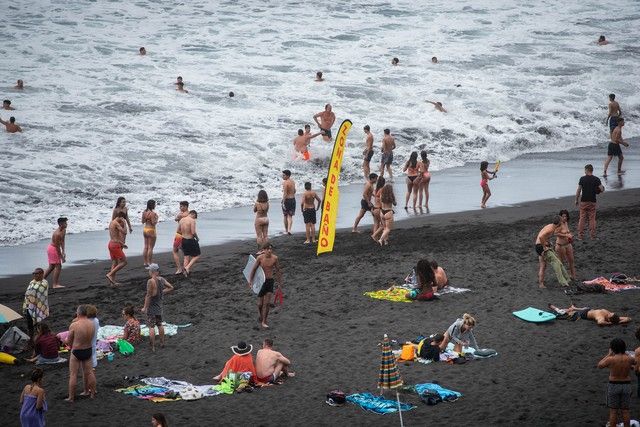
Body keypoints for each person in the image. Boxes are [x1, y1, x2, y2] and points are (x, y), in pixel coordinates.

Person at [597, 338, 634, 427]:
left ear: (613, 348)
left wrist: (608, 354)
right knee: (625, 410)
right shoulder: (629, 359)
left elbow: (600, 365)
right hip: (626, 386)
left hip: (614, 385)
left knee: (613, 411)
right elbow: (635, 362)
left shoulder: (611, 359)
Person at [65, 305, 96, 402]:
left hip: (77, 351)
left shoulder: (74, 325)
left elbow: (69, 341)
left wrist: (64, 340)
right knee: (90, 372)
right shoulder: (92, 324)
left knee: (73, 374)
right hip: (88, 349)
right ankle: (92, 394)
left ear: (78, 313)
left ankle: (71, 397)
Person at [248, 243, 282, 329]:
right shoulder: (260, 258)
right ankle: (260, 315)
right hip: (261, 282)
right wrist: (250, 281)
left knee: (267, 304)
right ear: (264, 250)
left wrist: (279, 283)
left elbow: (278, 270)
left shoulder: (275, 258)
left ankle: (264, 321)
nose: (269, 250)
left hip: (270, 281)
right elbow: (254, 269)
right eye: (267, 249)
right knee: (260, 304)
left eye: (271, 249)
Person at [141, 264, 174, 351]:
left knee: (151, 326)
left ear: (152, 271)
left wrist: (145, 307)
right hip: (159, 305)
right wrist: (162, 292)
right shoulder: (161, 279)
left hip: (152, 306)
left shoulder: (150, 281)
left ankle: (152, 346)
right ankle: (162, 343)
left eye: (149, 270)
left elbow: (148, 296)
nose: (148, 272)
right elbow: (171, 287)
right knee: (159, 324)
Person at [535, 216, 571, 288]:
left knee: (543, 265)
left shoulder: (550, 226)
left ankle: (541, 284)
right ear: (559, 223)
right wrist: (545, 246)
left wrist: (547, 243)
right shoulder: (551, 229)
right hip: (540, 247)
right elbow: (541, 237)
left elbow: (543, 237)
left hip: (538, 246)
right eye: (561, 222)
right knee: (556, 262)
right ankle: (563, 282)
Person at [575, 164, 604, 240]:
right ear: (592, 170)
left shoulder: (582, 179)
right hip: (592, 201)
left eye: (585, 170)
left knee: (582, 218)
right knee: (592, 219)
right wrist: (598, 190)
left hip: (584, 201)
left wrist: (576, 199)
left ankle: (580, 236)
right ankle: (592, 236)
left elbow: (578, 190)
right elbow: (602, 189)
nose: (584, 171)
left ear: (587, 170)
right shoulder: (596, 179)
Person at [23, 268, 49, 342]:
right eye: (34, 273)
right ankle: (31, 340)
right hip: (30, 306)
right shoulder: (32, 282)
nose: (35, 275)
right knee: (29, 324)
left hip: (39, 307)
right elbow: (28, 294)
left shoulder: (44, 283)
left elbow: (38, 292)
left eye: (37, 273)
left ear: (42, 274)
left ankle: (40, 339)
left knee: (39, 324)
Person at [548, 304, 631, 325]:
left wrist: (611, 323)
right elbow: (628, 318)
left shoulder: (601, 317)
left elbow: (600, 322)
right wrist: (617, 322)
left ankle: (555, 308)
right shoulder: (609, 315)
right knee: (570, 310)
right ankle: (574, 308)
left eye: (610, 315)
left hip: (585, 313)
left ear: (609, 319)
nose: (610, 313)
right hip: (589, 310)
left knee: (565, 312)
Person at [44, 217, 67, 289]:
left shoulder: (64, 230)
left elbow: (62, 241)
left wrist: (63, 251)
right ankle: (55, 284)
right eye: (65, 223)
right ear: (61, 224)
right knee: (58, 266)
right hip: (53, 249)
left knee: (51, 267)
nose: (67, 224)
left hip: (54, 248)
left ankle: (40, 281)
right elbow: (57, 247)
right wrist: (62, 258)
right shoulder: (57, 234)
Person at [106, 212, 128, 286]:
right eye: (122, 219)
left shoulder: (111, 222)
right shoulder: (116, 223)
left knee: (115, 263)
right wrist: (125, 223)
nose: (122, 221)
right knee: (124, 262)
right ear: (120, 217)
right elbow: (125, 232)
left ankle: (112, 282)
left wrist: (122, 244)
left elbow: (114, 236)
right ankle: (110, 274)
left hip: (111, 244)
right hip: (115, 246)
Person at [554, 209, 576, 280]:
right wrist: (566, 236)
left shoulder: (566, 222)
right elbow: (555, 233)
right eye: (563, 217)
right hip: (560, 246)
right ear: (560, 217)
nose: (564, 218)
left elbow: (566, 232)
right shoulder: (558, 224)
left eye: (565, 216)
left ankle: (573, 275)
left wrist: (570, 235)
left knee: (571, 260)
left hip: (568, 244)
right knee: (561, 262)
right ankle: (562, 277)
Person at [178, 210, 200, 276]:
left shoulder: (181, 220)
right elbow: (193, 232)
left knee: (186, 256)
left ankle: (185, 273)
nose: (194, 219)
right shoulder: (192, 220)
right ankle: (187, 267)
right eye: (194, 217)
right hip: (190, 240)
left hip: (183, 240)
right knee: (197, 255)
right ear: (193, 214)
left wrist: (179, 242)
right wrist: (197, 238)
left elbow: (178, 231)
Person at [172, 201, 190, 274]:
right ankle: (186, 268)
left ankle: (179, 269)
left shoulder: (181, 215)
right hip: (187, 235)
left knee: (175, 250)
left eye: (181, 206)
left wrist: (179, 216)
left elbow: (176, 219)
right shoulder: (190, 214)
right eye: (180, 206)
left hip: (180, 235)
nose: (180, 208)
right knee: (186, 252)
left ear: (186, 207)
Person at [142, 199, 159, 267]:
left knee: (146, 246)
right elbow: (153, 223)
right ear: (152, 205)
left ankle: (145, 262)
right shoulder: (153, 213)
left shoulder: (144, 212)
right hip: (151, 230)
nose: (155, 205)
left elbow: (142, 221)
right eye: (154, 204)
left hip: (145, 229)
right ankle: (150, 262)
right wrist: (157, 218)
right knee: (150, 247)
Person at [281, 170, 296, 235]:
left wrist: (283, 201)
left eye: (284, 175)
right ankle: (289, 230)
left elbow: (285, 193)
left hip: (287, 200)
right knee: (290, 216)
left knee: (285, 215)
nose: (282, 176)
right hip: (293, 199)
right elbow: (295, 191)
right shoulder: (293, 182)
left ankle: (286, 230)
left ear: (287, 175)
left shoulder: (285, 183)